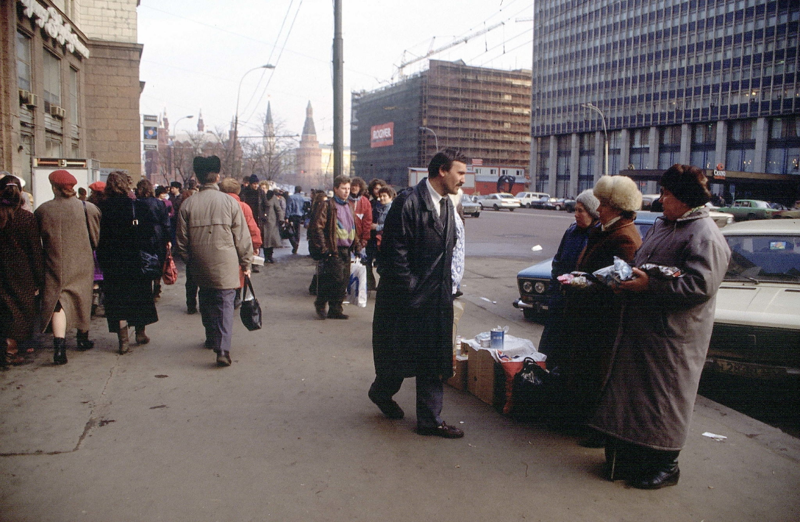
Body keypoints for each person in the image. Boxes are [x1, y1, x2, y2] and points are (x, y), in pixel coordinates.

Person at [591, 165, 731, 489]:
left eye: (666, 193)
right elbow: (644, 263)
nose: (661, 198)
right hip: (646, 331)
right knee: (639, 400)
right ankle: (635, 460)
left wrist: (648, 287)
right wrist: (625, 279)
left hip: (673, 338)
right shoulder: (665, 225)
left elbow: (699, 286)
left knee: (666, 402)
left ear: (683, 197)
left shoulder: (704, 234)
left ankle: (667, 465)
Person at [368, 148, 466, 438]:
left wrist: (449, 289)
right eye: (460, 173)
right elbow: (393, 256)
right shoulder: (407, 202)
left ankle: (430, 420)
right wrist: (411, 290)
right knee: (397, 359)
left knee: (433, 360)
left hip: (437, 298)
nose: (463, 180)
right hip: (405, 299)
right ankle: (381, 393)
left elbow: (448, 253)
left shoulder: (447, 205)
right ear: (442, 172)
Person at [558, 175, 642, 441]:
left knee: (595, 373)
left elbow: (617, 283)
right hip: (588, 315)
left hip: (601, 319)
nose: (599, 208)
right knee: (582, 370)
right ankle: (579, 422)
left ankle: (594, 429)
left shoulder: (624, 237)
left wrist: (584, 284)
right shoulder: (606, 230)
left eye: (604, 203)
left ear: (618, 207)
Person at [176, 156, 253, 367]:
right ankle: (223, 349)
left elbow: (181, 240)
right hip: (226, 264)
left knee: (207, 299)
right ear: (217, 177)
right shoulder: (230, 203)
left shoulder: (188, 204)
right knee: (225, 305)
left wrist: (189, 259)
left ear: (197, 177)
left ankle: (211, 337)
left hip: (199, 264)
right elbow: (242, 238)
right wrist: (246, 263)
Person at [35, 170, 100, 365]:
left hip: (54, 262)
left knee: (58, 302)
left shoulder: (43, 210)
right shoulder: (88, 208)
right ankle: (82, 338)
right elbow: (95, 239)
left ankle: (59, 348)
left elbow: (38, 240)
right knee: (82, 298)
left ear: (54, 187)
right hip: (82, 261)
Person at [96, 173, 164, 353]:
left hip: (112, 260)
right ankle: (140, 333)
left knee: (117, 299)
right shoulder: (137, 206)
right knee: (139, 296)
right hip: (135, 258)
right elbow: (148, 232)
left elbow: (99, 236)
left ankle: (123, 338)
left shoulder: (102, 207)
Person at [536, 189, 600, 363]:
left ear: (593, 212)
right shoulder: (571, 232)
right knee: (548, 349)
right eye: (576, 210)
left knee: (568, 354)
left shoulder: (597, 236)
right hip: (560, 300)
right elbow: (558, 261)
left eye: (581, 210)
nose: (576, 215)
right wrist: (554, 290)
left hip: (578, 304)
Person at [0, 175, 44, 368]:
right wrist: (39, 277)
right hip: (21, 272)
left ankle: (7, 349)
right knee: (20, 311)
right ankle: (10, 350)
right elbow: (35, 250)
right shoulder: (26, 218)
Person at [307, 175, 358, 319]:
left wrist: (357, 244)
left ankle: (336, 309)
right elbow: (317, 227)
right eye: (343, 188)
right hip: (333, 249)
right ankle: (321, 303)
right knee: (334, 278)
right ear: (336, 189)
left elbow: (353, 226)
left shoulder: (349, 206)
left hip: (346, 249)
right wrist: (324, 249)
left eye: (348, 188)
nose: (347, 191)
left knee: (343, 280)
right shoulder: (327, 205)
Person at [219, 177, 262, 307]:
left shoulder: (216, 205)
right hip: (239, 245)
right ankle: (236, 295)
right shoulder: (244, 207)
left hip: (220, 244)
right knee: (239, 270)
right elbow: (252, 228)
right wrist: (255, 245)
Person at [136, 179, 171, 302]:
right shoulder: (159, 203)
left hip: (142, 234)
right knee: (159, 260)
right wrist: (168, 239)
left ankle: (146, 286)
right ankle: (157, 285)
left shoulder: (136, 203)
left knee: (144, 260)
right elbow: (166, 223)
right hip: (158, 234)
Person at [348, 177, 373, 256]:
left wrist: (365, 239)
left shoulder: (365, 202)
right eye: (352, 185)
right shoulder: (345, 200)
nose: (354, 188)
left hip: (359, 238)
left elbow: (367, 221)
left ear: (361, 188)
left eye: (357, 186)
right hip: (346, 236)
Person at [261, 184, 285, 263]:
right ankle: (265, 256)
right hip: (262, 221)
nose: (263, 189)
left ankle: (270, 256)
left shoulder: (272, 197)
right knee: (264, 240)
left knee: (270, 240)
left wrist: (281, 219)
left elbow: (278, 209)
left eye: (264, 188)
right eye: (262, 188)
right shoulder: (259, 196)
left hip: (271, 221)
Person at [285, 186, 306, 254]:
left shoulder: (291, 197)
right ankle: (296, 243)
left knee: (290, 231)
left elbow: (289, 207)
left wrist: (287, 217)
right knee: (297, 230)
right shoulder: (303, 198)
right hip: (299, 216)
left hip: (292, 216)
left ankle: (294, 244)